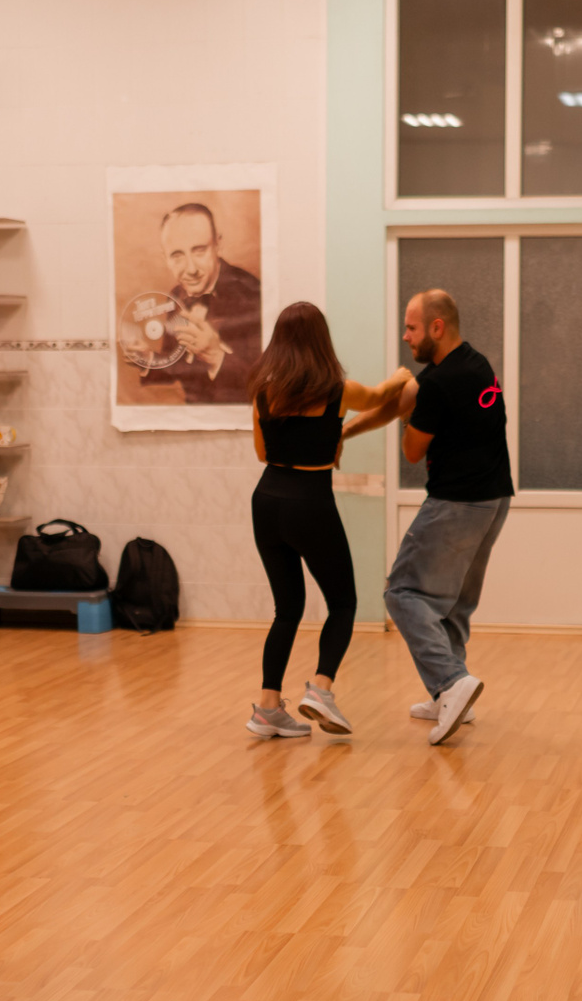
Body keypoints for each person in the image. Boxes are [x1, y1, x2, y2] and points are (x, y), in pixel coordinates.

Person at [342, 289, 509, 746]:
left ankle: (452, 683)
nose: (405, 336)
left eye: (411, 327)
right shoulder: (474, 364)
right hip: (494, 500)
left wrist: (410, 418)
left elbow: (412, 450)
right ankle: (450, 695)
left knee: (402, 593)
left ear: (437, 326)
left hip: (456, 503)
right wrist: (346, 432)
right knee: (451, 603)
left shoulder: (437, 384)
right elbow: (399, 402)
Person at [244, 302, 411, 739]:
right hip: (310, 503)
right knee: (343, 603)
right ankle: (320, 689)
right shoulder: (337, 390)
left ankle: (267, 709)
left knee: (287, 609)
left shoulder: (263, 393)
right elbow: (379, 397)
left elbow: (262, 453)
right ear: (321, 341)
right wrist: (400, 377)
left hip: (266, 501)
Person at [142, 203, 261, 402]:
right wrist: (147, 360)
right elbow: (175, 363)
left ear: (218, 245)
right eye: (177, 256)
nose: (191, 269)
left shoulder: (253, 294)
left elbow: (268, 383)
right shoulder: (175, 295)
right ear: (165, 259)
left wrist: (216, 356)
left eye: (199, 251)